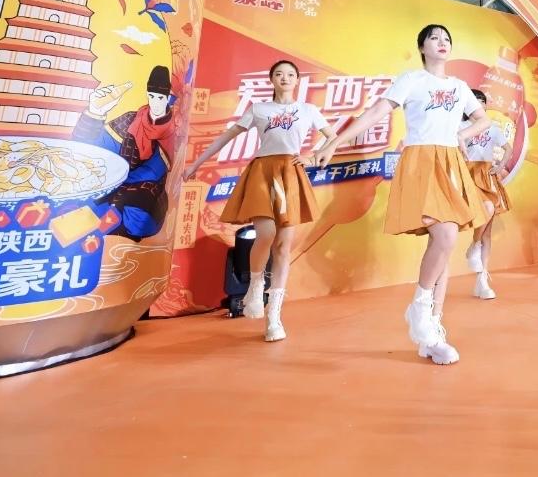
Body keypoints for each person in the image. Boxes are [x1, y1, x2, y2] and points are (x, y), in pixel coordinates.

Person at [314, 24, 492, 365]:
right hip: (421, 161)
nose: (442, 43)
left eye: (446, 39)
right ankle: (420, 309)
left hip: (450, 163)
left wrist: (462, 135)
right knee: (445, 236)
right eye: (434, 38)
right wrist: (334, 142)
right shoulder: (412, 79)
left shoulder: (458, 87)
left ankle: (431, 333)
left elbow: (482, 119)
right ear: (422, 47)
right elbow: (375, 113)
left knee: (445, 245)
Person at [184, 60, 335, 342]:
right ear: (271, 79)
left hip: (291, 173)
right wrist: (196, 164)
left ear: (297, 80)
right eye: (279, 74)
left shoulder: (308, 110)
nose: (285, 78)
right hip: (263, 173)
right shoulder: (259, 109)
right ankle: (255, 285)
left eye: (290, 74)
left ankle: (274, 316)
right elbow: (227, 137)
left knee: (284, 246)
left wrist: (314, 156)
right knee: (265, 234)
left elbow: (332, 137)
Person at [75, 64, 178, 241]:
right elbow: (92, 149)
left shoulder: (173, 130)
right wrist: (96, 112)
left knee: (140, 219)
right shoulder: (130, 119)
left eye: (160, 97)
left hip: (144, 191)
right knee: (81, 204)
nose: (155, 102)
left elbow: (155, 172)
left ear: (168, 98)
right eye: (152, 96)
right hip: (112, 181)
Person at [462, 89, 512, 300]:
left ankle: (481, 280)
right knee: (486, 210)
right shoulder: (461, 127)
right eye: (475, 102)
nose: (479, 105)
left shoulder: (492, 127)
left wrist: (500, 165)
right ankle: (473, 246)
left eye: (482, 101)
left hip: (486, 174)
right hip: (467, 175)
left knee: (487, 231)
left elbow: (508, 148)